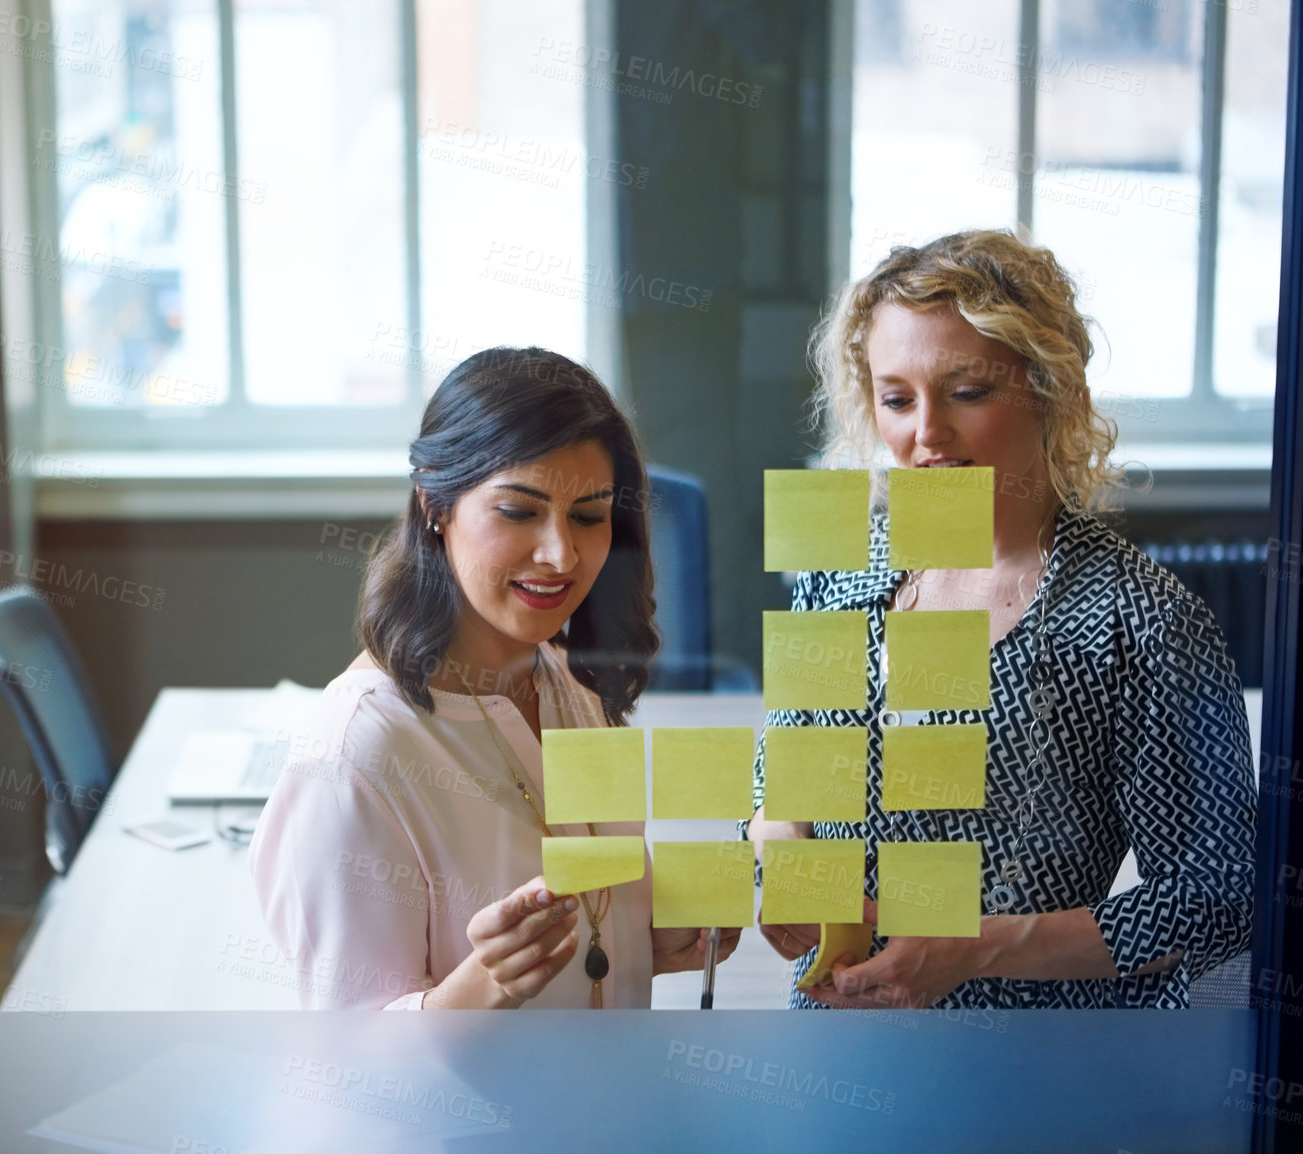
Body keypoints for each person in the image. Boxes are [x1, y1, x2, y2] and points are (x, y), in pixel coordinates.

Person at [747, 229, 1255, 1010]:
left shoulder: (1141, 620)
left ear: (1046, 387)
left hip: (1033, 1069)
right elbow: (785, 774)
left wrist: (981, 947)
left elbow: (1217, 902)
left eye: (968, 392)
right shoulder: (843, 572)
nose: (926, 435)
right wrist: (779, 848)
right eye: (897, 399)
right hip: (840, 1046)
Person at [249, 346, 741, 1008]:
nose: (561, 553)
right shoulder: (354, 757)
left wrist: (645, 936)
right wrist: (483, 987)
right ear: (434, 505)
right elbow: (351, 1065)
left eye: (589, 516)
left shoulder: (573, 684)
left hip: (606, 1101)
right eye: (518, 511)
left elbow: (593, 927)